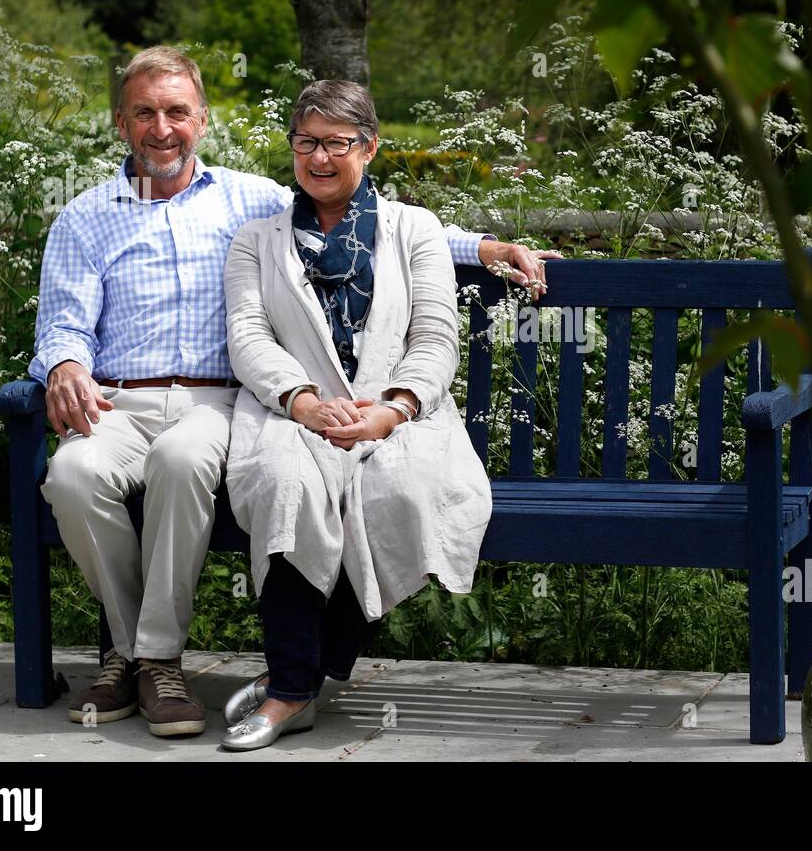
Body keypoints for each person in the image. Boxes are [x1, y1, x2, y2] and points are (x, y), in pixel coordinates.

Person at [32, 46, 556, 737]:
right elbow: (62, 323)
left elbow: (365, 213)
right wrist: (65, 363)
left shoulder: (249, 200)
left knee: (184, 462)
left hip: (214, 403)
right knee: (69, 473)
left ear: (202, 120)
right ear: (120, 124)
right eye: (145, 113)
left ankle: (152, 660)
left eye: (177, 112)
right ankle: (138, 654)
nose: (162, 128)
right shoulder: (85, 216)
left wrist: (486, 248)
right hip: (121, 401)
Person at [218, 79, 491, 751]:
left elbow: (434, 335)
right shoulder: (257, 240)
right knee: (288, 484)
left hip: (400, 414)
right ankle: (289, 690)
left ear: (368, 148)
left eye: (336, 143)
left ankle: (310, 675)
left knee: (402, 490)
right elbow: (248, 335)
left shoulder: (414, 229)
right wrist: (304, 402)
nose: (318, 157)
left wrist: (393, 410)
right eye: (305, 142)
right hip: (290, 414)